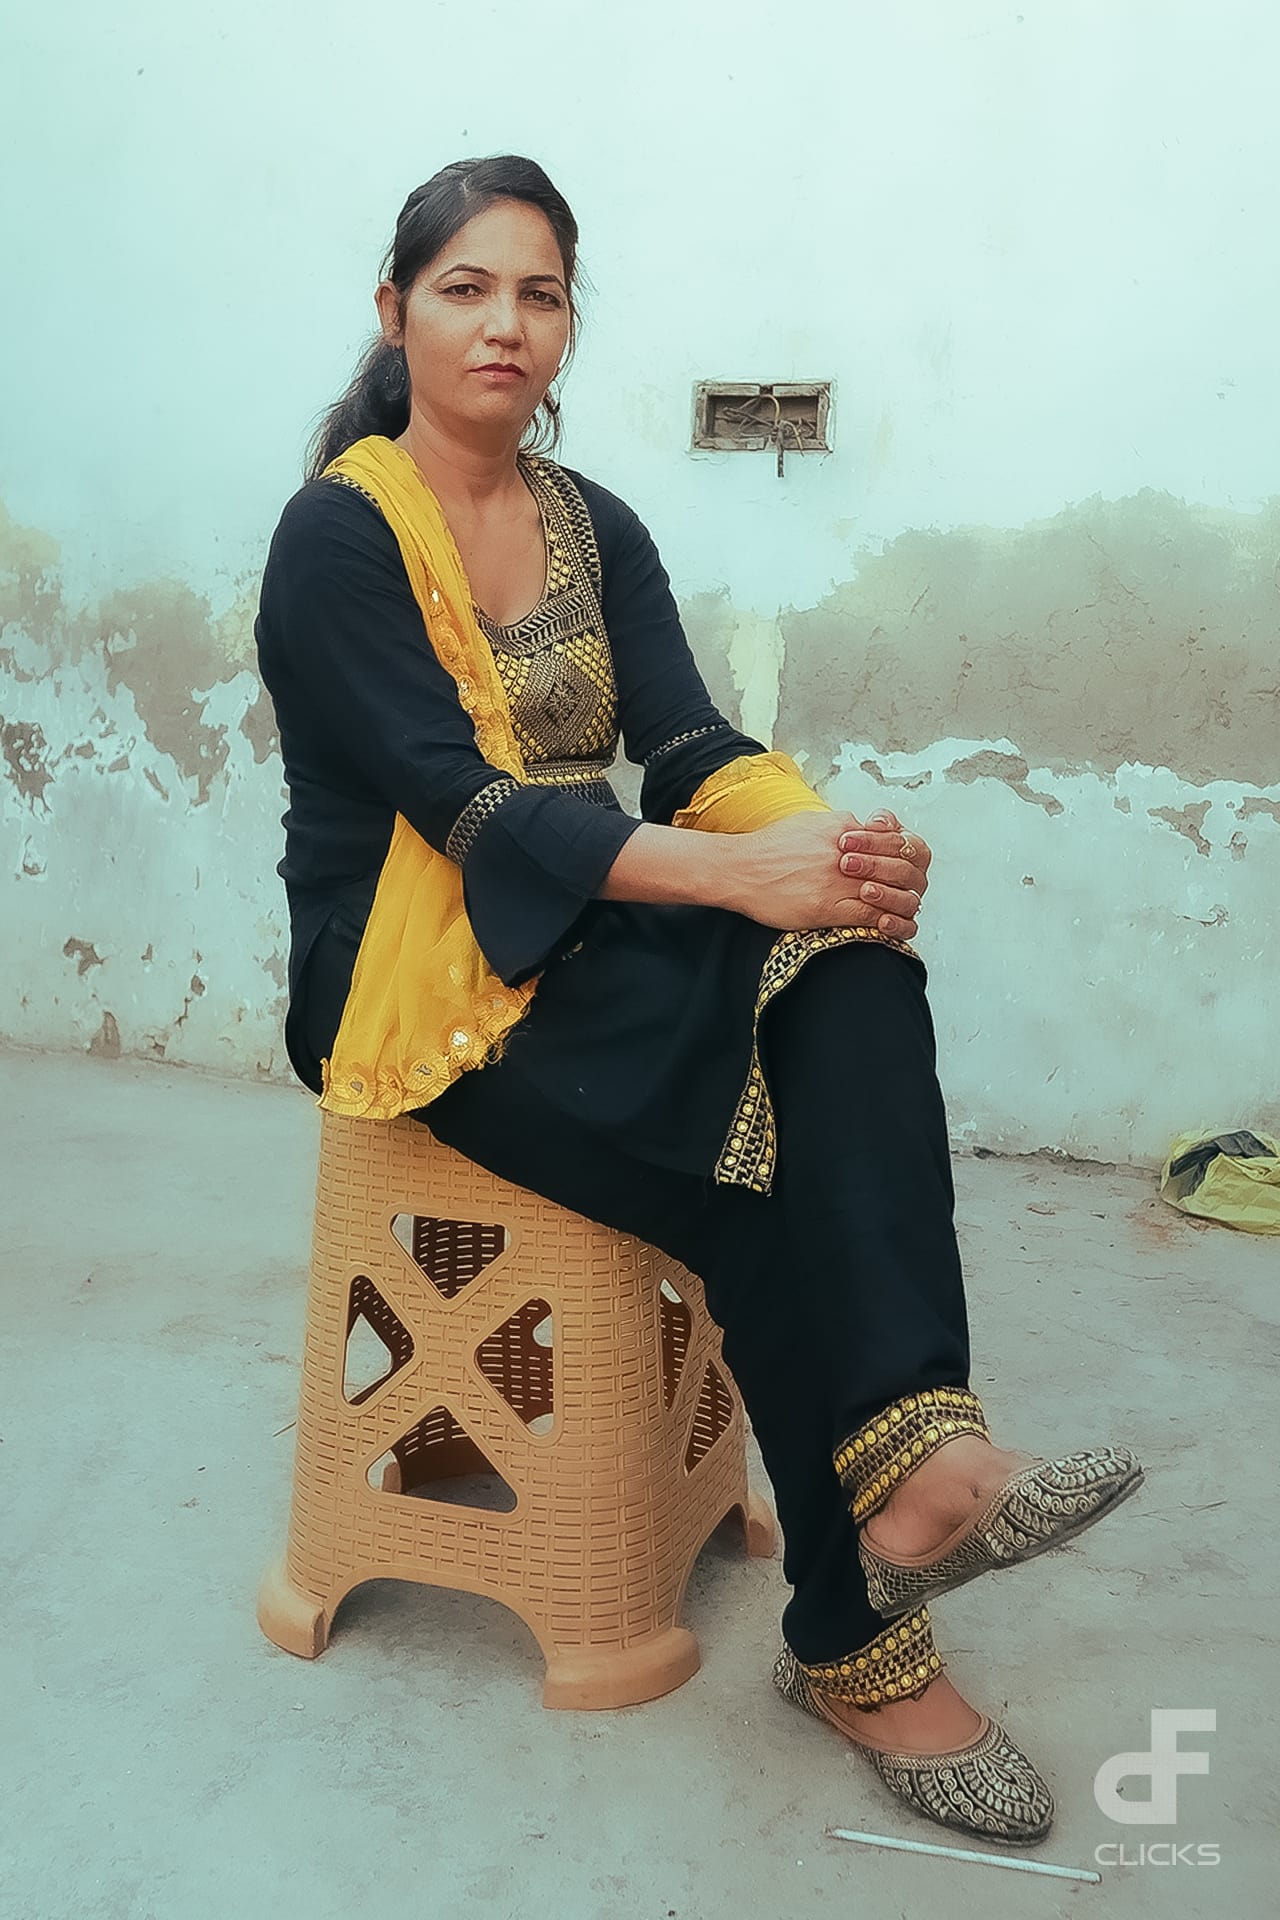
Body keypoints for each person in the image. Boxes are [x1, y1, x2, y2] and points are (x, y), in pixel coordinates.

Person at [254, 155, 1144, 1849]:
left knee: (854, 961)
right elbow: (467, 807)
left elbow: (688, 743)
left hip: (587, 925)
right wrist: (741, 882)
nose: (503, 325)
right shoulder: (340, 535)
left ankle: (922, 1456)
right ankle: (860, 1644)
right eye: (464, 288)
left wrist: (827, 850)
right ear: (396, 312)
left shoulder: (594, 524)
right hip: (407, 971)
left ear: (568, 325)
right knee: (756, 1178)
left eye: (538, 294)